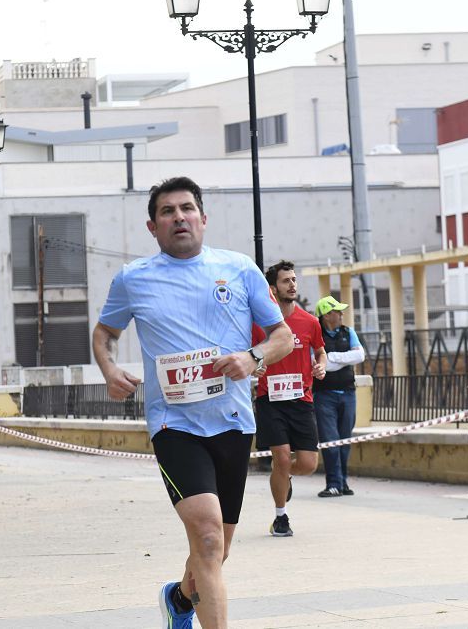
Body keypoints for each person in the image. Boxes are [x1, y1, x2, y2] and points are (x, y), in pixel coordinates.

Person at [93, 177, 292, 629]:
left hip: (233, 421)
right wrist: (109, 370)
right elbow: (105, 332)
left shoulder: (239, 268)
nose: (179, 217)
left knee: (217, 548)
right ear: (152, 226)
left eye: (187, 209)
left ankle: (180, 600)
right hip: (174, 424)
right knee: (206, 537)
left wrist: (252, 357)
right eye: (167, 211)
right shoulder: (133, 278)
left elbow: (282, 336)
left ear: (203, 218)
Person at [252, 260, 326, 537]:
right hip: (270, 399)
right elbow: (250, 353)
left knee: (308, 464)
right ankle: (280, 517)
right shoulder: (260, 324)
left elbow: (320, 351)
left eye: (294, 279)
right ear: (273, 289)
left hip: (301, 400)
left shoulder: (310, 322)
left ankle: (284, 476)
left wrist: (321, 366)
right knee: (281, 458)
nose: (292, 285)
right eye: (286, 281)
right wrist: (255, 365)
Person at [312, 296, 366, 498]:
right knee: (330, 441)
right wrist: (343, 360)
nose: (342, 314)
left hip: (348, 394)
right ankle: (333, 483)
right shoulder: (315, 334)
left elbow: (359, 356)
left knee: (344, 441)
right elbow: (318, 364)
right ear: (327, 315)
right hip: (324, 396)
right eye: (337, 311)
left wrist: (333, 357)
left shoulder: (348, 332)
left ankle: (342, 482)